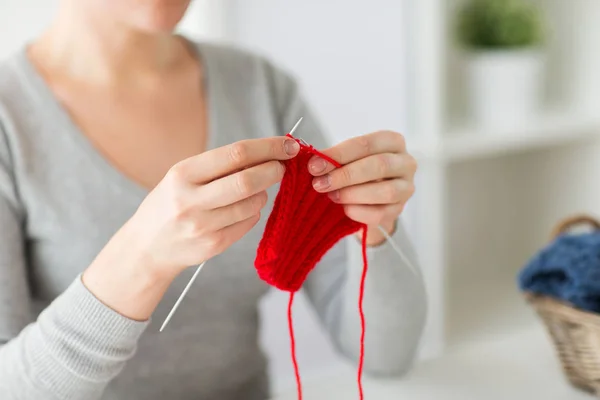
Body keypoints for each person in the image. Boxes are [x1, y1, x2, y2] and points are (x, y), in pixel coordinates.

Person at [0, 0, 427, 399]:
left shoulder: (258, 87)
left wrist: (377, 228)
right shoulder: (10, 121)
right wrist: (141, 258)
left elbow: (386, 357)